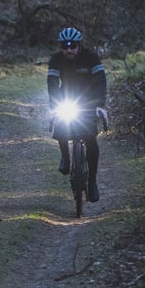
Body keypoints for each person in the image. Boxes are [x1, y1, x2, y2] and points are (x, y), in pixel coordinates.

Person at [46, 27, 108, 202]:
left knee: (90, 139)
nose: (68, 50)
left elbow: (100, 82)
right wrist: (54, 107)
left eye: (72, 46)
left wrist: (100, 105)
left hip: (88, 101)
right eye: (65, 47)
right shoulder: (56, 60)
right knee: (61, 127)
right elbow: (52, 84)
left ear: (78, 45)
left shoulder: (91, 57)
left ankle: (92, 181)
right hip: (66, 98)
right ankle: (65, 158)